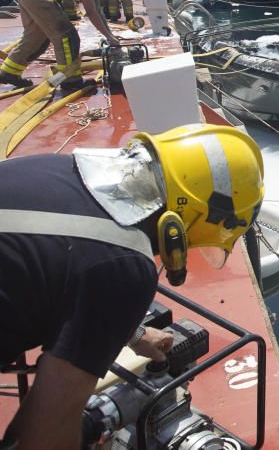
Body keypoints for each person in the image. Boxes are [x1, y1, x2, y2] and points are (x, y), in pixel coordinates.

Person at [0, 123, 265, 450]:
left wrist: (134, 334)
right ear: (177, 229)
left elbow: (67, 264)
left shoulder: (59, 168)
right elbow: (46, 432)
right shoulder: (126, 265)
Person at [0, 0, 120, 92]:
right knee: (67, 36)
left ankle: (9, 72)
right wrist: (110, 38)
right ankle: (71, 81)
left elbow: (98, 11)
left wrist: (111, 36)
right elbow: (91, 12)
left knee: (36, 39)